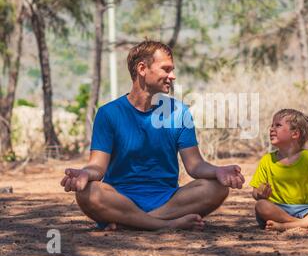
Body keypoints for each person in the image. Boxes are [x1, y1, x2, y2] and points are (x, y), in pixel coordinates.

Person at [60, 40, 245, 231]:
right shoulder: (108, 113)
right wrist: (84, 173)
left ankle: (134, 223)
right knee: (86, 192)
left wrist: (218, 171)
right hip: (119, 200)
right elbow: (97, 167)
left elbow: (195, 165)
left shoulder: (180, 112)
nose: (172, 76)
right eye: (166, 69)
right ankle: (167, 224)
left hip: (168, 201)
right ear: (142, 68)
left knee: (217, 187)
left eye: (172, 70)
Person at [250, 109, 308, 231]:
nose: (271, 129)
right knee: (261, 205)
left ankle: (286, 226)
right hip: (277, 210)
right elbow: (255, 192)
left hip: (307, 209)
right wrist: (260, 194)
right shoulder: (267, 160)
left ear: (295, 134)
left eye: (278, 125)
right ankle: (307, 224)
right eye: (272, 125)